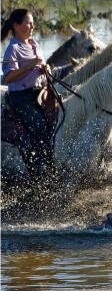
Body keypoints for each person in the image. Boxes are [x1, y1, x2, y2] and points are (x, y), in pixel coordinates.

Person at [2, 9, 56, 182]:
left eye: (32, 22)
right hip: (21, 98)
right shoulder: (13, 48)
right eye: (28, 22)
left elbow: (39, 65)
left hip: (40, 93)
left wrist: (45, 68)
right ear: (17, 26)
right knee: (40, 127)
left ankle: (54, 162)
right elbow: (8, 77)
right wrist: (29, 66)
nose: (32, 25)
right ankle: (40, 173)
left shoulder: (34, 44)